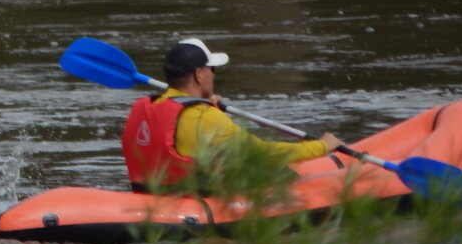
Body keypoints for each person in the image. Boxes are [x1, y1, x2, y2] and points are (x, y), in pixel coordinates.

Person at [121, 38, 344, 193]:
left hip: (154, 194)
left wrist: (208, 107)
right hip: (193, 199)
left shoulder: (150, 106)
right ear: (199, 74)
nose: (213, 76)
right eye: (212, 70)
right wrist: (320, 147)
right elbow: (261, 153)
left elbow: (187, 133)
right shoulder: (205, 117)